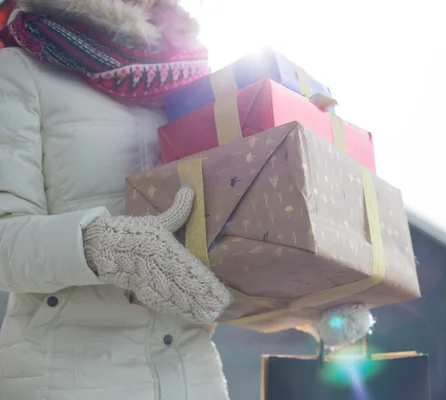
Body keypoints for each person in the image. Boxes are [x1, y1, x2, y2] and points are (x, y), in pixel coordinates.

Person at [0, 0, 374, 398]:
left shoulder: (200, 91)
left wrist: (310, 296)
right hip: (64, 377)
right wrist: (102, 246)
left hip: (194, 377)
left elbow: (229, 246)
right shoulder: (21, 72)